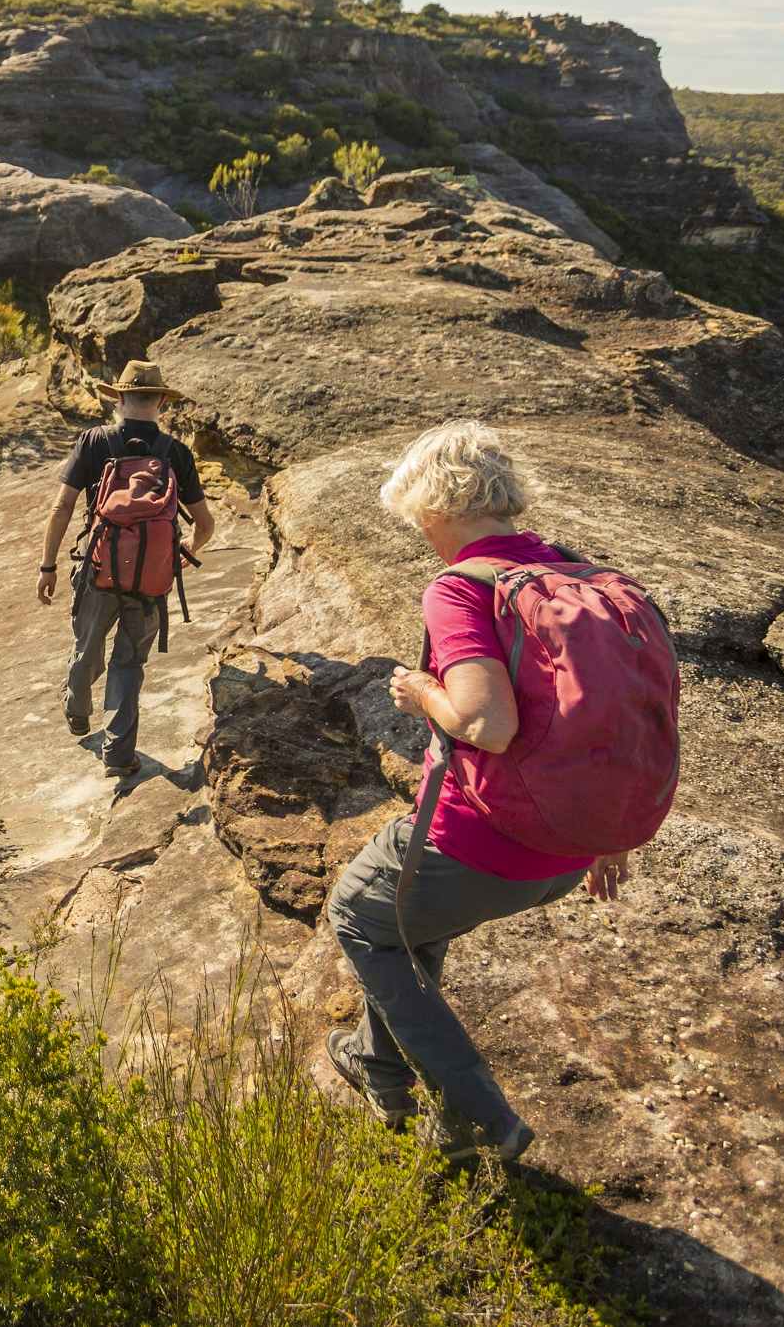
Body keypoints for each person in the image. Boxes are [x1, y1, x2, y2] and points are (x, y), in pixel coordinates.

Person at [322, 419, 642, 1164]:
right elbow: (625, 714)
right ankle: (381, 1065)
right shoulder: (581, 576)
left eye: (419, 521)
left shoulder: (461, 588)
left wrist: (421, 691)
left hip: (486, 843)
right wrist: (606, 829)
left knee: (360, 914)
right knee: (410, 919)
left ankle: (476, 1118)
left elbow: (484, 724)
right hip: (570, 854)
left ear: (436, 507)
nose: (423, 536)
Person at [37, 360, 216, 776]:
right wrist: (183, 549)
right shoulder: (176, 453)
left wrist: (47, 566)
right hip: (151, 578)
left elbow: (62, 506)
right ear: (161, 404)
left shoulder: (94, 442)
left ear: (118, 398)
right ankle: (118, 754)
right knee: (128, 663)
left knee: (87, 644)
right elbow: (205, 524)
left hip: (99, 569)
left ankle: (77, 711)